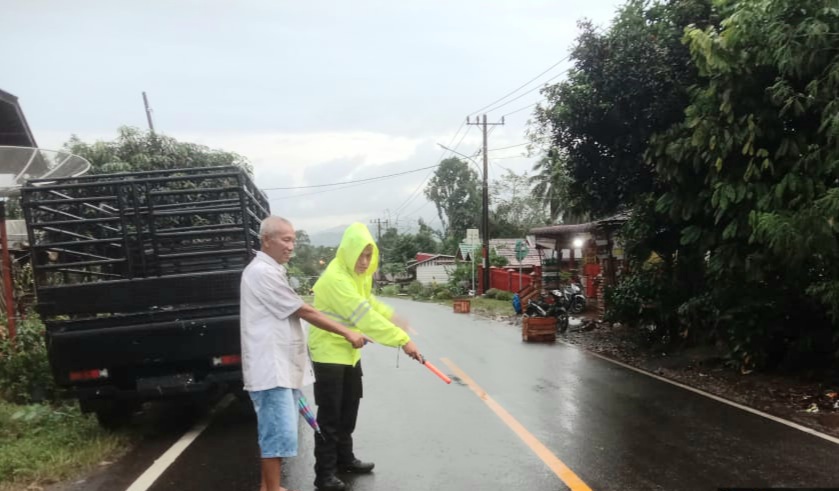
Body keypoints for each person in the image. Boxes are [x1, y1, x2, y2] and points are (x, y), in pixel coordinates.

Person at [240, 216, 365, 491]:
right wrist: (346, 332)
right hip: (271, 370)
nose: (291, 246)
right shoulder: (262, 272)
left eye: (293, 240)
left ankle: (269, 486)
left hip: (280, 368)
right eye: (285, 240)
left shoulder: (271, 270)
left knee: (279, 433)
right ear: (266, 240)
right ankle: (271, 488)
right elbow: (304, 310)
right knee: (276, 434)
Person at [308, 222, 421, 491]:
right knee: (330, 415)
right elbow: (364, 317)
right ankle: (324, 474)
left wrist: (392, 316)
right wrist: (402, 340)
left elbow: (370, 303)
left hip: (349, 353)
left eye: (369, 255)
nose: (365, 261)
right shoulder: (336, 278)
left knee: (349, 408)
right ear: (348, 252)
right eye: (361, 255)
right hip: (327, 352)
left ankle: (344, 460)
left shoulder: (361, 276)